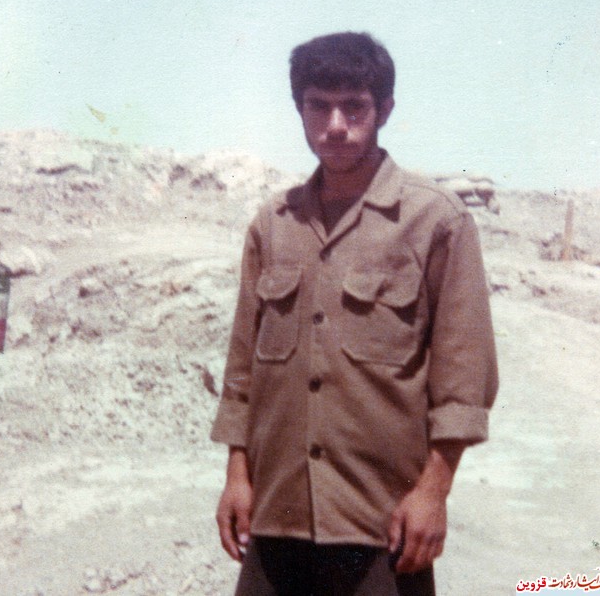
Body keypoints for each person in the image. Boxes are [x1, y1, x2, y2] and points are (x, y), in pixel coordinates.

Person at [211, 31, 498, 596]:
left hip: (381, 524)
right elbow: (243, 372)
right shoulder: (274, 224)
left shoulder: (435, 221)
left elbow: (464, 380)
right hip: (277, 515)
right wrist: (236, 476)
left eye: (354, 107)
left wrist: (434, 493)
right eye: (318, 106)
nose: (336, 125)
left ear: (385, 110)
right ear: (299, 110)